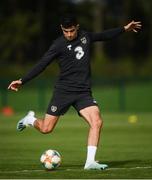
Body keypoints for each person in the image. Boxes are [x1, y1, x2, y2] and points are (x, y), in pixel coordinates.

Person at [8, 14, 142, 170]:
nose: (69, 34)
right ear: (61, 29)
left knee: (97, 121)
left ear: (77, 27)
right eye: (66, 31)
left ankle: (90, 162)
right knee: (46, 129)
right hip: (63, 92)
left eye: (72, 30)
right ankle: (29, 120)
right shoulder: (57, 45)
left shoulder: (85, 36)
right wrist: (22, 80)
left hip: (83, 92)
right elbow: (42, 64)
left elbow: (104, 35)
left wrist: (124, 29)